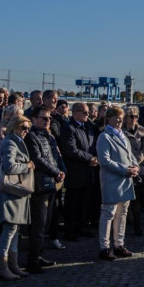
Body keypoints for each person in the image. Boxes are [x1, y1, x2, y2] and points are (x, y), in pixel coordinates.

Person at [24, 105, 64, 273]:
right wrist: (56, 171)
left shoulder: (49, 136)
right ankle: (32, 260)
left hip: (52, 183)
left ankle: (39, 256)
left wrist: (61, 171)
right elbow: (38, 159)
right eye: (44, 118)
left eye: (49, 118)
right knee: (38, 225)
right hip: (40, 185)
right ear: (34, 119)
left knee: (46, 223)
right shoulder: (32, 136)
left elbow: (55, 157)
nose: (48, 121)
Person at [96, 106, 138, 261]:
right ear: (109, 118)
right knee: (108, 214)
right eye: (117, 118)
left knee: (122, 214)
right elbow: (104, 161)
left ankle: (119, 244)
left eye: (121, 118)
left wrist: (135, 167)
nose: (120, 121)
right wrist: (125, 169)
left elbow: (130, 155)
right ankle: (104, 247)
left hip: (125, 181)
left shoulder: (123, 135)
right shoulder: (104, 137)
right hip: (112, 180)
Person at [0, 115, 34, 281]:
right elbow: (9, 165)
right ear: (14, 127)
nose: (25, 131)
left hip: (17, 193)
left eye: (27, 128)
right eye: (22, 128)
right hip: (11, 192)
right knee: (9, 230)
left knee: (15, 230)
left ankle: (13, 264)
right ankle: (2, 266)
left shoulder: (16, 141)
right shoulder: (10, 142)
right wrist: (27, 166)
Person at [60, 102, 98, 240]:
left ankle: (81, 227)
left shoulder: (89, 127)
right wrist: (90, 158)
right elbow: (70, 150)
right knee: (72, 203)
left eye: (88, 113)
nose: (88, 115)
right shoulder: (69, 128)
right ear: (75, 112)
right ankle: (70, 230)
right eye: (85, 113)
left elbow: (92, 145)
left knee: (84, 202)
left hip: (88, 171)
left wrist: (94, 158)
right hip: (75, 172)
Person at [121, 106, 144, 236]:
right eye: (131, 116)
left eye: (136, 116)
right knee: (125, 201)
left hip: (139, 168)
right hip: (125, 168)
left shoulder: (142, 130)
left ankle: (138, 225)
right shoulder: (120, 131)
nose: (134, 119)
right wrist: (129, 164)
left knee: (138, 199)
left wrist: (136, 162)